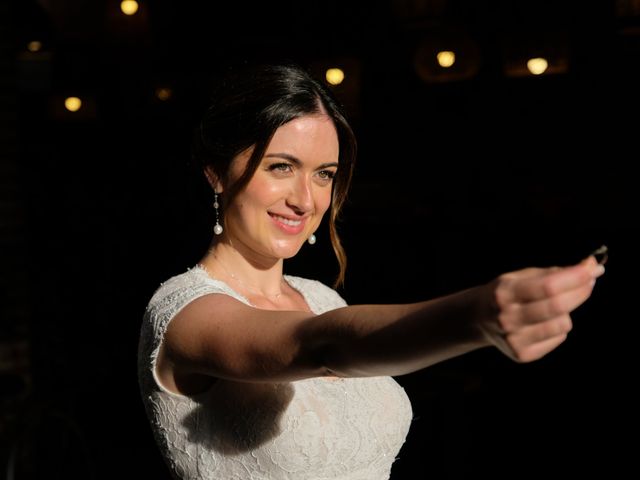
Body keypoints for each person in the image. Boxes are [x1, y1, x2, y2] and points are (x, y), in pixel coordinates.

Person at [137, 63, 606, 480]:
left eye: (324, 173)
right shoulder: (183, 313)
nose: (306, 199)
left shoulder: (320, 297)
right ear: (216, 172)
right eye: (281, 167)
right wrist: (475, 315)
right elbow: (323, 344)